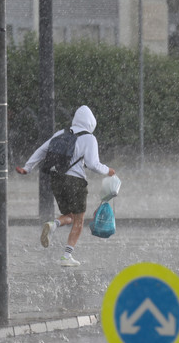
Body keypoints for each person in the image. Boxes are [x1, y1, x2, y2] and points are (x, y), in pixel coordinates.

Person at [16, 105, 116, 267]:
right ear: (91, 122)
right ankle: (66, 256)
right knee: (79, 219)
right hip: (75, 182)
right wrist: (108, 170)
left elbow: (41, 151)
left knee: (69, 216)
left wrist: (27, 168)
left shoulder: (61, 134)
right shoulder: (89, 138)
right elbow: (93, 164)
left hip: (56, 179)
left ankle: (53, 224)